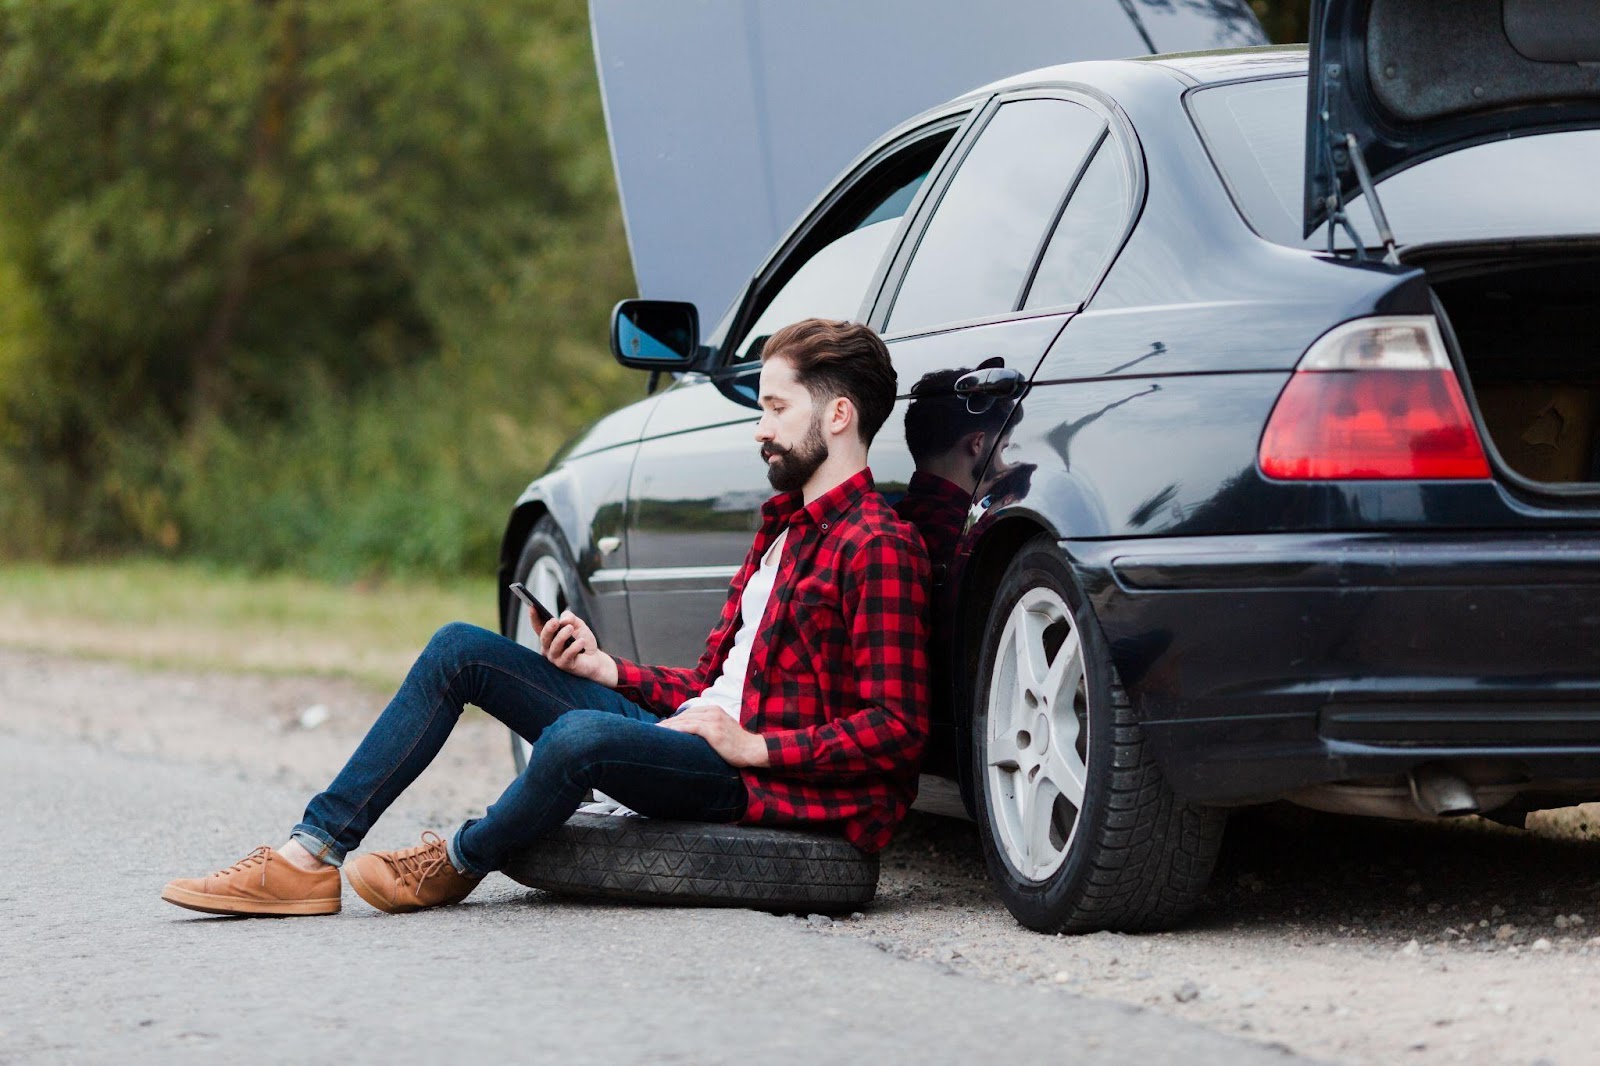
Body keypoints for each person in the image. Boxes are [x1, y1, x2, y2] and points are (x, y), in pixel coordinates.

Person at [162, 317, 931, 917]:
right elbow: (712, 685)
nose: (760, 427)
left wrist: (758, 748)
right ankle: (308, 857)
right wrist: (609, 670)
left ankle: (457, 859)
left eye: (774, 407)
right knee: (461, 648)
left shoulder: (878, 546)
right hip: (699, 739)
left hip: (749, 779)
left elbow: (898, 728)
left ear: (836, 415)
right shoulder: (782, 528)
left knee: (577, 738)